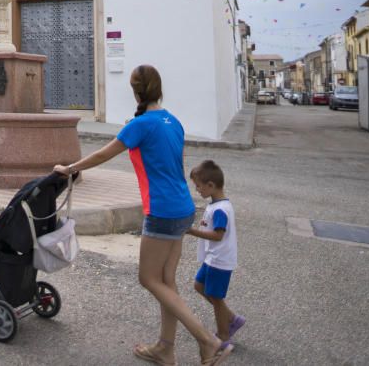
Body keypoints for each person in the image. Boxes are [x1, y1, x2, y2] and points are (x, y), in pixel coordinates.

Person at [54, 65, 232, 366]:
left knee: (149, 278)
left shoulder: (140, 125)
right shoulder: (172, 121)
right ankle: (165, 348)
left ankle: (208, 340)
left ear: (136, 91)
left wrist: (69, 169)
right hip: (183, 207)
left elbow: (102, 154)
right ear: (158, 89)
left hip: (162, 209)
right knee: (166, 281)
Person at [187, 160, 244, 350]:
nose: (197, 190)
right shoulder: (215, 205)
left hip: (219, 260)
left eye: (199, 186)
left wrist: (192, 231)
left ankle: (223, 335)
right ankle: (232, 319)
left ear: (211, 185)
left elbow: (218, 235)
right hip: (213, 258)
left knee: (215, 296)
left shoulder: (221, 210)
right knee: (199, 285)